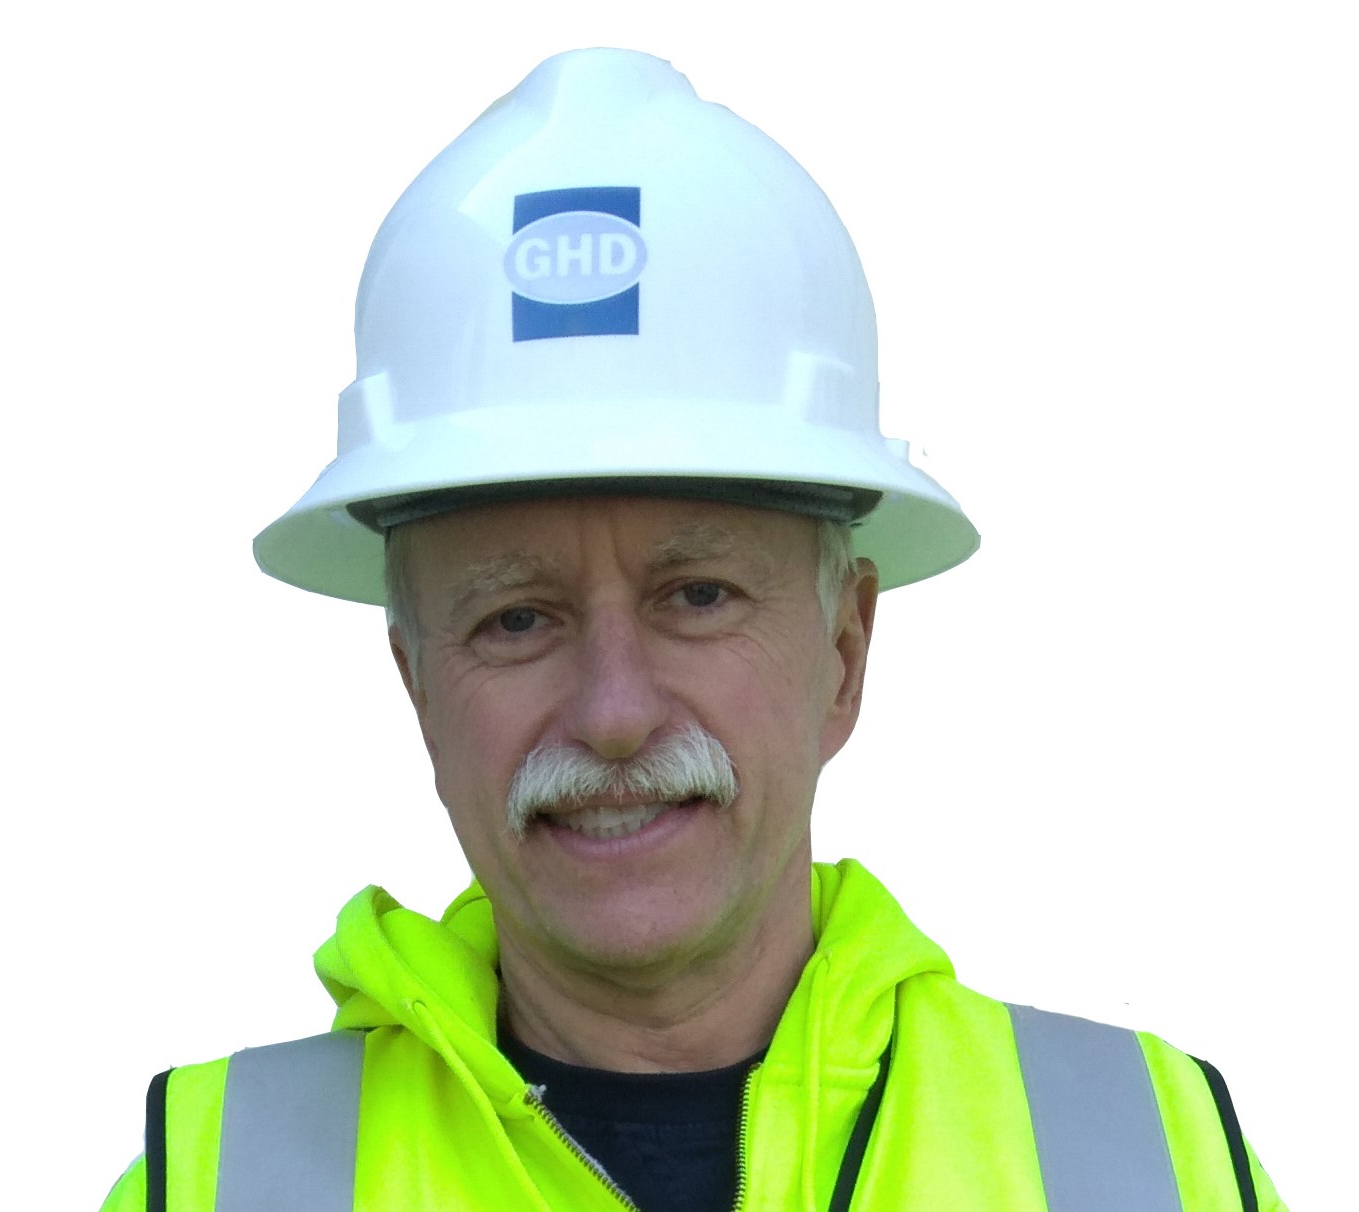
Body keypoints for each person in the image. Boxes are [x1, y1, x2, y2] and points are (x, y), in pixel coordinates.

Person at [101, 48, 1286, 1211]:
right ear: (416, 685)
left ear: (842, 651)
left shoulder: (1152, 1165)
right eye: (517, 619)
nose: (614, 712)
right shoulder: (212, 1183)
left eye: (697, 597)